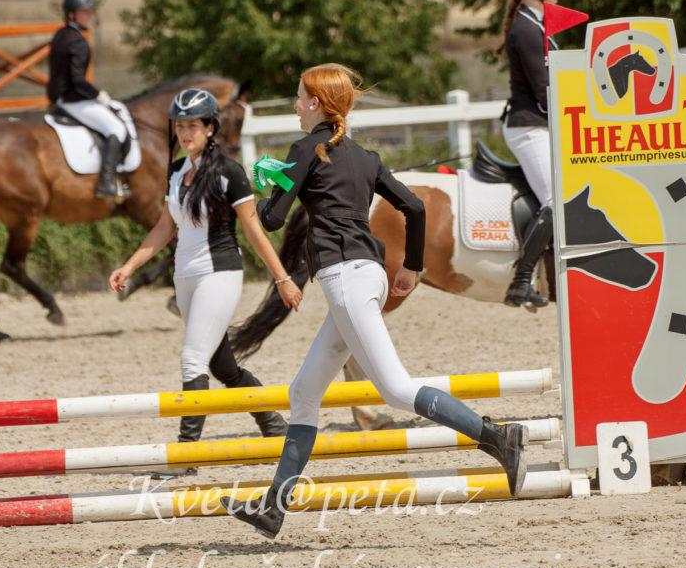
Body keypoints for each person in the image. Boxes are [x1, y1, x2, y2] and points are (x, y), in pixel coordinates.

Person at [220, 64, 529, 539]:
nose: (296, 106)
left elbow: (274, 219)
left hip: (345, 279)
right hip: (370, 276)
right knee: (303, 394)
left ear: (317, 104)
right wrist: (413, 266)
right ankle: (273, 508)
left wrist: (272, 186)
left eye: (300, 98)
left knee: (396, 389)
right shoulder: (365, 157)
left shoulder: (305, 150)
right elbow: (415, 207)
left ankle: (497, 436)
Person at [109, 88, 302, 477]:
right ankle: (274, 426)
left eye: (192, 126)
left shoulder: (230, 172)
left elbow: (253, 230)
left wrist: (282, 277)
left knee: (192, 359)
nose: (185, 133)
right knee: (223, 367)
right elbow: (165, 227)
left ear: (211, 128)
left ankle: (187, 457)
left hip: (220, 273)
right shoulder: (176, 171)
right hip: (185, 277)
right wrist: (130, 266)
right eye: (179, 126)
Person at [498, 0, 571, 309]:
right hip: (530, 127)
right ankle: (521, 280)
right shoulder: (526, 29)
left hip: (543, 124)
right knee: (558, 202)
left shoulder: (539, 26)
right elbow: (545, 93)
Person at [48, 0, 131, 199]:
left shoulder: (60, 35)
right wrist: (98, 95)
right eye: (84, 12)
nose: (89, 15)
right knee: (117, 128)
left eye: (90, 11)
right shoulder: (77, 41)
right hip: (74, 100)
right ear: (71, 15)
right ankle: (106, 182)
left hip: (59, 98)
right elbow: (78, 80)